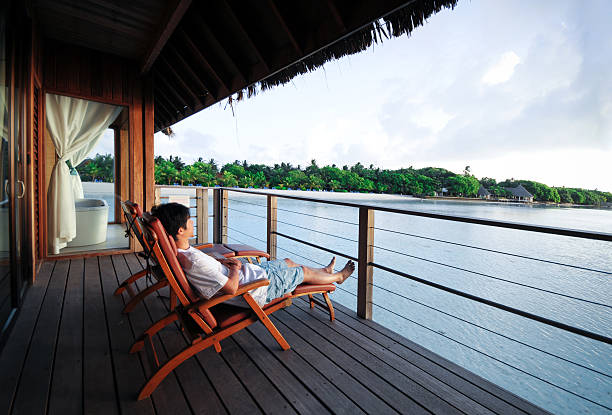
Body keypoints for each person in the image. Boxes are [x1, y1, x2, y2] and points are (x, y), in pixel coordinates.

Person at [151, 202, 355, 306]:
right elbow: (231, 288)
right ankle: (337, 277)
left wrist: (221, 261)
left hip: (250, 273)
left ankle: (325, 271)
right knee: (301, 271)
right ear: (180, 230)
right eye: (189, 220)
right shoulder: (192, 261)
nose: (192, 222)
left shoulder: (182, 251)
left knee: (288, 261)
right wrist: (236, 267)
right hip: (255, 288)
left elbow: (207, 267)